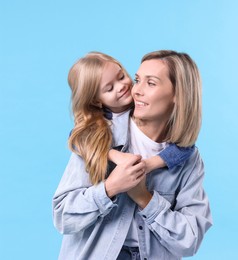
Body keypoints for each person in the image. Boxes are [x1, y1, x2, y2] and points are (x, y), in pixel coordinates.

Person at [53, 50, 212, 260]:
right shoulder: (99, 137)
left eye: (151, 83)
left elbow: (189, 240)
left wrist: (145, 198)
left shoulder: (188, 160)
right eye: (138, 80)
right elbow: (63, 218)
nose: (135, 90)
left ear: (179, 94)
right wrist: (111, 187)